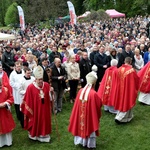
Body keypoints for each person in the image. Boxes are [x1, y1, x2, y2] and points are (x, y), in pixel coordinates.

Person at [68, 71, 102, 149]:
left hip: (80, 115)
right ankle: (89, 144)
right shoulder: (93, 94)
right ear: (94, 83)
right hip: (89, 115)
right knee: (89, 125)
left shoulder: (80, 91)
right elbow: (99, 104)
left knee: (81, 125)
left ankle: (81, 141)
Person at [21, 66, 52, 142]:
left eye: (41, 79)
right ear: (35, 79)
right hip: (35, 109)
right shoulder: (30, 87)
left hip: (45, 108)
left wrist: (51, 92)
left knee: (44, 120)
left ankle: (44, 135)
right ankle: (35, 135)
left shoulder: (46, 85)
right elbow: (27, 99)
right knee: (36, 120)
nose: (41, 81)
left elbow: (49, 97)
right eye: (39, 80)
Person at [114, 57, 139, 123]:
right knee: (126, 102)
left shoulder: (118, 69)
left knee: (121, 102)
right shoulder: (131, 70)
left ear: (124, 61)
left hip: (120, 90)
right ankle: (120, 118)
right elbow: (136, 80)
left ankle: (128, 117)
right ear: (130, 62)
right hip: (128, 90)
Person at [0, 78, 15, 148]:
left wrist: (6, 103)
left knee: (6, 126)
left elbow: (11, 98)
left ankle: (8, 142)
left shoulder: (5, 89)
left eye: (0, 85)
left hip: (5, 112)